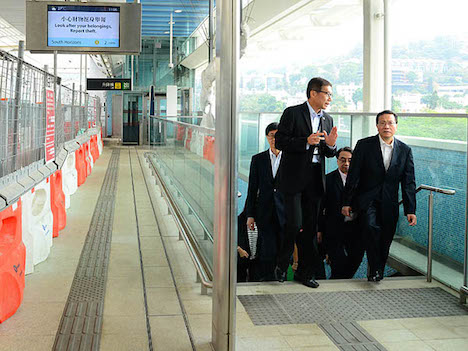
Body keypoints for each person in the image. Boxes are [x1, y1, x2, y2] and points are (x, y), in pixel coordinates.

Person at [274, 77, 338, 288]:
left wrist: (331, 145)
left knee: (310, 230)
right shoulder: (293, 113)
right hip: (293, 178)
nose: (330, 98)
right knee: (294, 224)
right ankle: (282, 264)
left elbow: (328, 153)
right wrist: (305, 141)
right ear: (313, 93)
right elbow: (281, 141)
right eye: (327, 93)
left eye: (330, 94)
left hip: (315, 179)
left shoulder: (327, 120)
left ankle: (305, 272)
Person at [342, 110, 417, 282]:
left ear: (396, 126)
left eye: (390, 123)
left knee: (385, 238)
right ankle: (374, 270)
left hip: (390, 202)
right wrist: (346, 202)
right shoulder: (364, 145)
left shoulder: (405, 150)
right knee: (370, 228)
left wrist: (410, 209)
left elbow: (409, 182)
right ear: (377, 125)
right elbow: (353, 176)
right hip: (367, 200)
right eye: (382, 122)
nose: (386, 126)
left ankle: (377, 272)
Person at [244, 122, 285, 281]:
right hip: (264, 211)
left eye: (278, 135)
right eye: (272, 136)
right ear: (267, 137)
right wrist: (250, 215)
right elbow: (252, 189)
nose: (275, 139)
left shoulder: (291, 159)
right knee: (267, 247)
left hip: (285, 212)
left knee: (282, 247)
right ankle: (267, 278)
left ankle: (279, 276)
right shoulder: (258, 159)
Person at [318, 147, 364, 279]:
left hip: (355, 228)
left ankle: (337, 281)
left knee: (356, 258)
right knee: (338, 261)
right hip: (334, 228)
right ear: (337, 161)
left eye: (350, 160)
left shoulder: (361, 180)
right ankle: (336, 284)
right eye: (343, 160)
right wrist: (319, 229)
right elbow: (320, 208)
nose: (347, 164)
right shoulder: (328, 180)